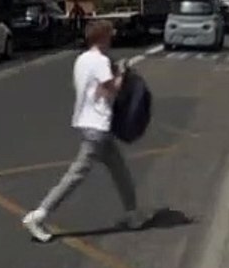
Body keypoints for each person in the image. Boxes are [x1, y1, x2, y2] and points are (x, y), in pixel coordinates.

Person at [22, 20, 144, 242]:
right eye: (110, 35)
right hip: (96, 127)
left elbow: (88, 86)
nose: (112, 39)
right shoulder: (99, 61)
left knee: (120, 171)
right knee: (75, 175)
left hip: (91, 125)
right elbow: (112, 92)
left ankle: (132, 214)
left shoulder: (82, 60)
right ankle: (38, 215)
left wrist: (110, 76)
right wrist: (122, 73)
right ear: (103, 38)